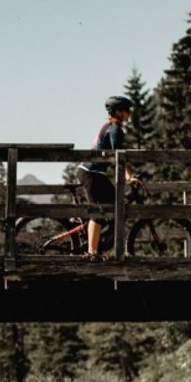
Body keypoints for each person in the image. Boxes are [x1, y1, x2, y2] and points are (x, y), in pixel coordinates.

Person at [78, 95, 142, 259]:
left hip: (95, 173)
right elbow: (118, 156)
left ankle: (98, 246)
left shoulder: (109, 126)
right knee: (100, 211)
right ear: (118, 112)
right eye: (127, 110)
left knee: (114, 205)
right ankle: (92, 253)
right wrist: (129, 177)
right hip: (91, 173)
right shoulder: (115, 129)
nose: (129, 113)